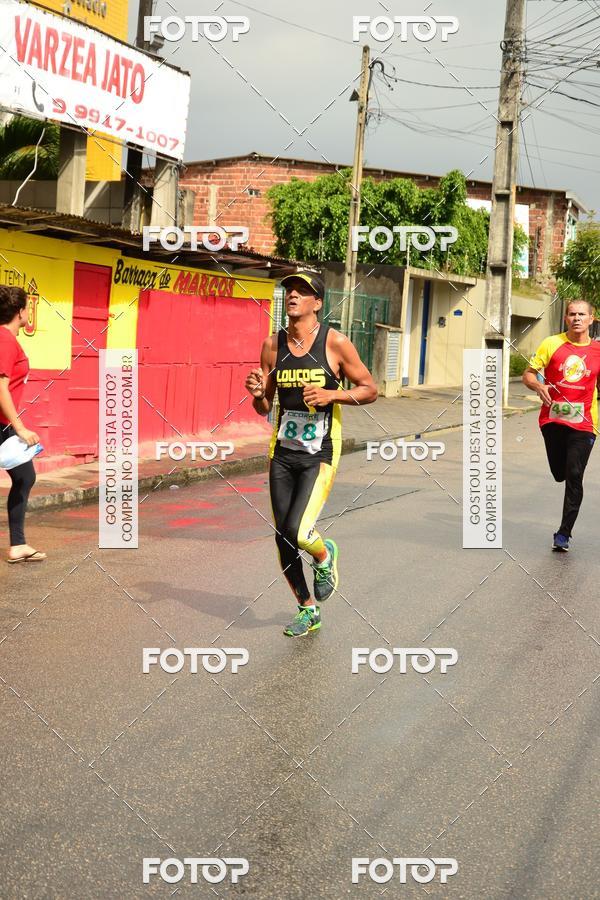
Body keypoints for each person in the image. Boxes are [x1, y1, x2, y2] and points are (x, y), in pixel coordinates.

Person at [245, 270, 377, 636]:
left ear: (317, 304)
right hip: (282, 454)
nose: (293, 295)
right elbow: (264, 407)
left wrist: (331, 395)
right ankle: (307, 609)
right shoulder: (272, 346)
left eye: (303, 291)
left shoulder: (335, 344)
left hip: (320, 454)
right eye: (290, 290)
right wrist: (258, 393)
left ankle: (324, 555)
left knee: (301, 531)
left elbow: (370, 389)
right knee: (282, 535)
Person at [522, 299, 600, 551]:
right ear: (566, 318)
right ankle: (564, 469)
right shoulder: (551, 344)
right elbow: (528, 374)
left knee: (575, 475)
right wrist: (538, 385)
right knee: (560, 473)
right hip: (552, 420)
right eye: (572, 314)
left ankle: (564, 533)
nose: (576, 318)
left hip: (584, 424)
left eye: (581, 314)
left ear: (591, 318)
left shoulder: (598, 352)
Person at [0, 285, 45, 563]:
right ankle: (17, 544)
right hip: (2, 424)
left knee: (25, 477)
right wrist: (20, 427)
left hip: (3, 423)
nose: (29, 312)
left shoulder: (6, 338)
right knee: (25, 477)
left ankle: (18, 545)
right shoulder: (4, 339)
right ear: (20, 312)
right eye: (27, 307)